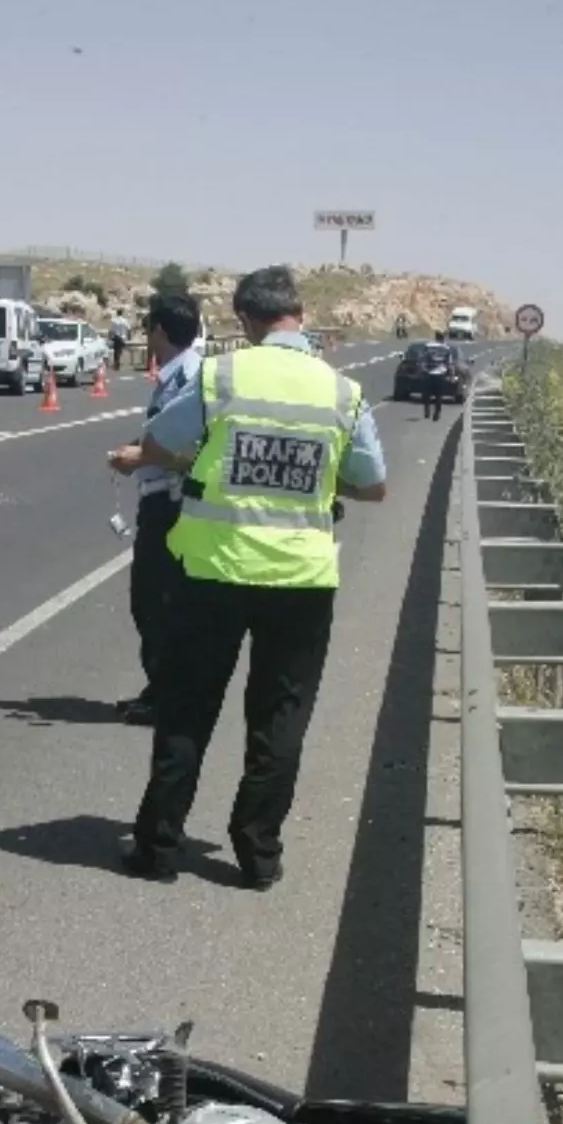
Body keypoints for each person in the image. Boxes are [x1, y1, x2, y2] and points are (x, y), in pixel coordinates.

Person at [122, 264, 387, 889]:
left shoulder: (222, 374)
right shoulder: (341, 392)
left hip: (212, 570)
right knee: (280, 719)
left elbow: (158, 440)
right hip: (300, 581)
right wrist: (319, 480)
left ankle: (159, 846)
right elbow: (372, 484)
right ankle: (257, 851)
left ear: (244, 319)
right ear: (298, 315)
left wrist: (203, 459)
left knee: (188, 710)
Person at [107, 293, 204, 724]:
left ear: (161, 331)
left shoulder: (190, 376)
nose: (146, 338)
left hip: (172, 501)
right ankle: (161, 690)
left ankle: (168, 697)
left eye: (149, 329)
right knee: (154, 602)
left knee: (155, 602)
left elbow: (190, 443)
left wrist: (139, 457)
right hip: (161, 498)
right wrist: (136, 448)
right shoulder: (175, 375)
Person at [421, 330, 451, 421]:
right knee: (439, 396)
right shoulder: (446, 348)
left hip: (429, 373)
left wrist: (423, 369)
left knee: (426, 394)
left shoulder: (428, 346)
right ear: (443, 338)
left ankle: (427, 410)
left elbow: (423, 359)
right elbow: (449, 363)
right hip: (440, 374)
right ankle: (437, 413)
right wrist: (451, 374)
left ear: (436, 337)